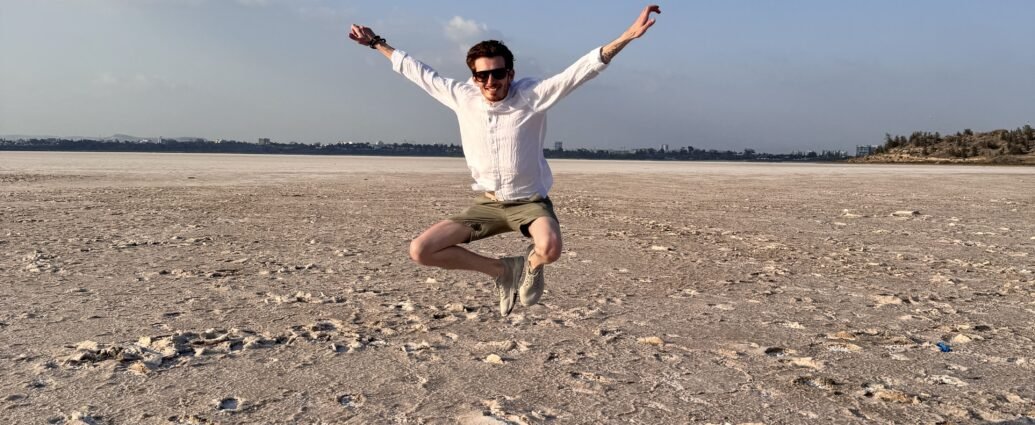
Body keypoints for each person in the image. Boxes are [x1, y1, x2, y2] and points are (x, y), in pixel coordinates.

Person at [348, 5, 661, 317]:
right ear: (473, 78)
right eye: (482, 75)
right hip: (488, 204)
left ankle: (532, 264)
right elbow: (418, 71)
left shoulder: (532, 95)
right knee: (421, 250)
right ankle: (502, 270)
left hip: (529, 203)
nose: (490, 81)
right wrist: (377, 43)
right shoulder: (462, 96)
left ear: (510, 73)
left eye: (497, 73)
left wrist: (627, 37)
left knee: (550, 249)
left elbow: (580, 71)